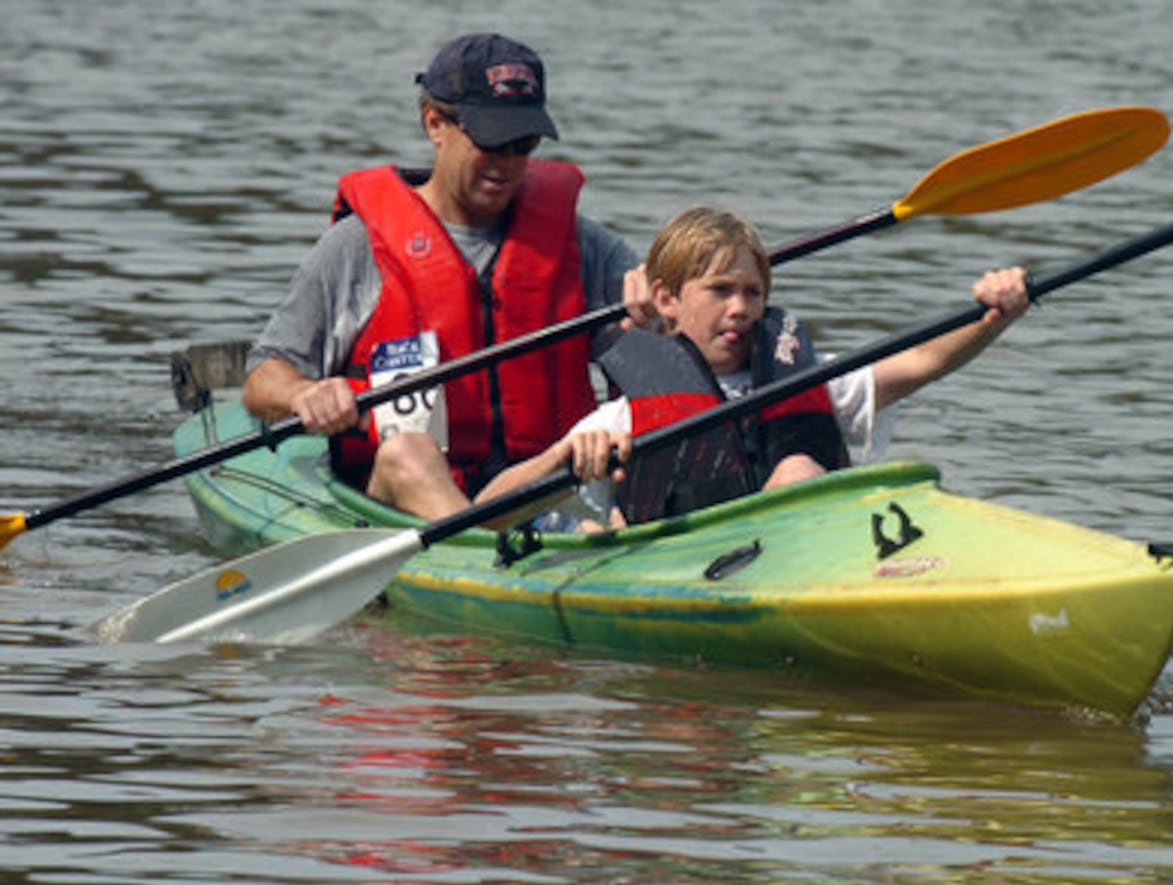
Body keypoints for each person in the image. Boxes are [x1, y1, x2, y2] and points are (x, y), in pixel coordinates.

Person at [241, 33, 645, 527]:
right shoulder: (356, 247)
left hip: (544, 486)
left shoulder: (581, 245)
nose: (508, 162)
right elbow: (263, 378)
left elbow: (678, 315)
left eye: (523, 144)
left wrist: (660, 304)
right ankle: (479, 559)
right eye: (491, 141)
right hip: (401, 498)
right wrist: (304, 394)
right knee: (406, 451)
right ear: (435, 123)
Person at [484, 205, 1031, 528]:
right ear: (667, 300)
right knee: (595, 530)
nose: (741, 308)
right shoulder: (627, 418)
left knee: (799, 468)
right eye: (720, 291)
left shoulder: (806, 378)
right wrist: (563, 459)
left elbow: (922, 360)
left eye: (753, 292)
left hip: (804, 563)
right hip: (688, 574)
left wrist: (993, 317)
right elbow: (485, 512)